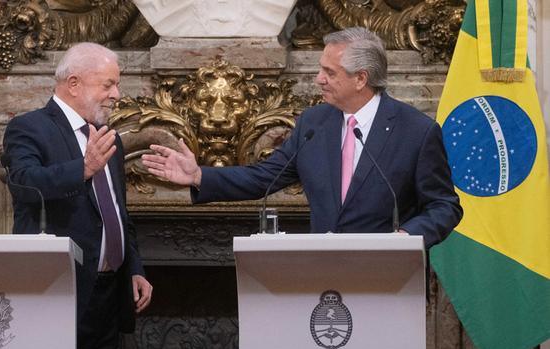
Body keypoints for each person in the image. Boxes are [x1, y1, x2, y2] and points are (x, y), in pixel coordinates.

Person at [142, 27, 462, 249]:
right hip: (320, 275)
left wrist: (407, 236)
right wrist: (199, 175)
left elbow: (444, 206)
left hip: (390, 279)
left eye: (330, 73)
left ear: (361, 79)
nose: (319, 79)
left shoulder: (416, 131)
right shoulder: (314, 123)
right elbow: (263, 176)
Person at [3, 42, 152, 349]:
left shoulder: (105, 139)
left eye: (117, 84)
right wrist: (81, 169)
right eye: (108, 85)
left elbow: (118, 213)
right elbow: (23, 183)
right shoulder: (29, 128)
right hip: (57, 288)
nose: (117, 94)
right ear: (73, 83)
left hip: (107, 293)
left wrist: (134, 268)